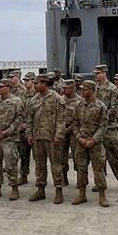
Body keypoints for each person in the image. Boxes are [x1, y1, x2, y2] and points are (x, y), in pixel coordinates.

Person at [27, 74, 65, 203]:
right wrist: (29, 135)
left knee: (56, 165)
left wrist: (58, 135)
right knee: (39, 165)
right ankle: (40, 190)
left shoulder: (56, 98)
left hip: (52, 138)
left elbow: (61, 120)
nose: (34, 85)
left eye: (36, 83)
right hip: (38, 137)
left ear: (44, 83)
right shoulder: (33, 100)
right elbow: (29, 119)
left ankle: (59, 190)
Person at [0, 79, 25, 200]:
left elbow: (19, 118)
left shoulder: (16, 101)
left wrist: (7, 131)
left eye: (2, 86)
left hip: (9, 138)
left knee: (11, 164)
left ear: (8, 87)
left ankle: (14, 188)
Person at [71, 80, 109, 207]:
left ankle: (102, 195)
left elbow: (103, 126)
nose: (82, 91)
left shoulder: (101, 106)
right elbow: (74, 124)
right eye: (81, 89)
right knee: (81, 169)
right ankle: (82, 194)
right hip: (81, 142)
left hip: (95, 144)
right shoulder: (78, 105)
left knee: (98, 169)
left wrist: (93, 140)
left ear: (92, 90)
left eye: (85, 89)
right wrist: (79, 138)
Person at [94, 65, 118, 194]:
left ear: (104, 73)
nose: (96, 75)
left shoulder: (113, 89)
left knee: (114, 156)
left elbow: (113, 108)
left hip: (109, 128)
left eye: (98, 73)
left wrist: (102, 118)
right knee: (98, 157)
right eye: (95, 73)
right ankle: (101, 182)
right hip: (97, 128)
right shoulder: (95, 88)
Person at [58, 79, 82, 186]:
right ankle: (64, 177)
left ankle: (80, 179)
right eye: (63, 88)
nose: (63, 90)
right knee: (62, 155)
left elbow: (80, 120)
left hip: (74, 132)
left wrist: (70, 129)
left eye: (66, 88)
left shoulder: (79, 101)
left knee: (77, 156)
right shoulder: (60, 100)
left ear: (72, 88)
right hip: (62, 131)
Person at [16, 72, 37, 184]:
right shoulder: (21, 96)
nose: (25, 82)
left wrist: (29, 124)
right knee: (23, 154)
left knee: (38, 156)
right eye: (24, 80)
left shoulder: (37, 95)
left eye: (28, 80)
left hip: (35, 129)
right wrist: (20, 124)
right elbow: (19, 112)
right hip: (23, 130)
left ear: (33, 81)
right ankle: (23, 175)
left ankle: (40, 178)